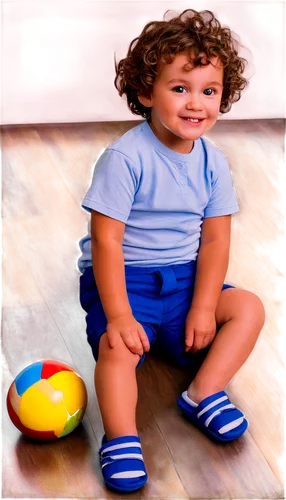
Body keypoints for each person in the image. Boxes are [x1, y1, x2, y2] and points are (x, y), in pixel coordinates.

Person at [77, 8, 265, 492]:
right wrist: (119, 315)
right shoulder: (125, 158)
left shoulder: (214, 163)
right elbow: (106, 241)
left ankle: (203, 393)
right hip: (128, 276)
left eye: (209, 91)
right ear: (145, 92)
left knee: (247, 306)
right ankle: (120, 436)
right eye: (179, 88)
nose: (195, 103)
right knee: (116, 349)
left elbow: (217, 238)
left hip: (182, 276)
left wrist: (203, 306)